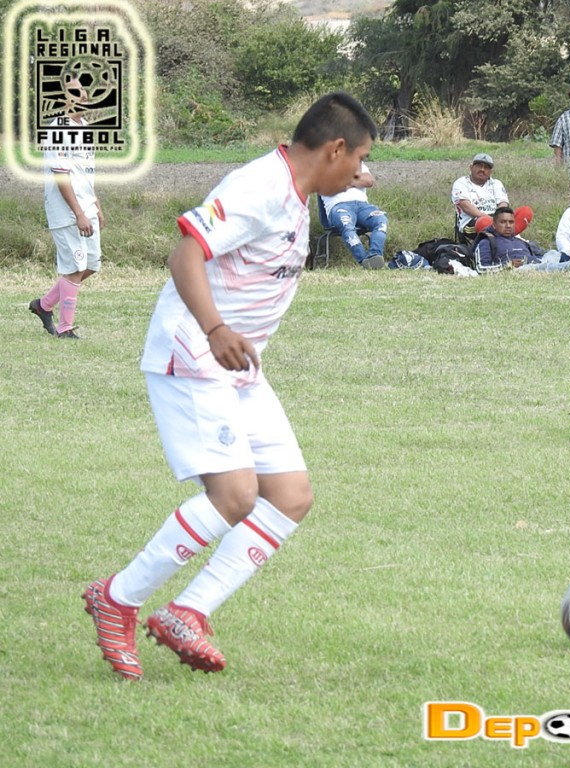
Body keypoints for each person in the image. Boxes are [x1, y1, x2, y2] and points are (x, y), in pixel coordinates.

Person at [81, 91, 377, 681]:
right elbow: (185, 255)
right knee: (236, 495)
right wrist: (215, 328)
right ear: (335, 148)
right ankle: (117, 597)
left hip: (238, 366)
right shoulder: (259, 188)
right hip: (194, 353)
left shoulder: (297, 191)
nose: (362, 172)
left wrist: (231, 339)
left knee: (290, 495)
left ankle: (187, 611)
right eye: (361, 158)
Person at [29, 76, 105, 339]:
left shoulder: (84, 127)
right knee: (74, 267)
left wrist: (95, 203)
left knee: (91, 264)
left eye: (83, 91)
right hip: (66, 210)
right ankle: (65, 329)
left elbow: (84, 171)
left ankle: (44, 305)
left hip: (86, 206)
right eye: (74, 92)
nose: (82, 95)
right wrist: (79, 213)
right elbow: (61, 175)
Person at [451, 153, 532, 245]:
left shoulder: (496, 183)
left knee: (525, 211)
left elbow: (503, 204)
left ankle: (506, 238)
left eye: (486, 167)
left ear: (490, 172)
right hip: (472, 221)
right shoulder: (461, 183)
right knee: (484, 222)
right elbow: (465, 206)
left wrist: (500, 219)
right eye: (479, 166)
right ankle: (511, 239)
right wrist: (491, 220)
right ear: (471, 167)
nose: (482, 169)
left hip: (496, 218)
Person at [321, 161, 388, 269]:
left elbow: (369, 181)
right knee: (347, 225)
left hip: (363, 206)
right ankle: (364, 261)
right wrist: (356, 179)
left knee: (381, 220)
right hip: (339, 206)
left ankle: (375, 255)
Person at [474, 206, 555, 270]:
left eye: (511, 222)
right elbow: (481, 268)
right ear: (494, 225)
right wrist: (507, 266)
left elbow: (539, 257)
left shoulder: (520, 241)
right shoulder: (487, 242)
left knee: (554, 254)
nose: (508, 226)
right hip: (523, 269)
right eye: (503, 222)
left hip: (538, 264)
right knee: (556, 266)